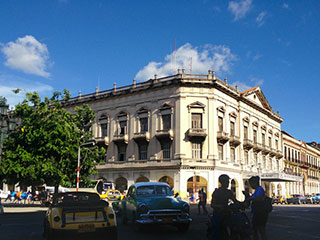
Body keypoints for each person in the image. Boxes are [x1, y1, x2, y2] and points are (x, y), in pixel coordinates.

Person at [210, 174, 242, 240]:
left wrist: (243, 204)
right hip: (218, 213)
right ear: (221, 182)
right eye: (226, 182)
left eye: (228, 182)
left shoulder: (229, 192)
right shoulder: (217, 192)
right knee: (216, 230)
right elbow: (212, 204)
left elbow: (235, 201)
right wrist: (220, 206)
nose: (228, 183)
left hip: (227, 213)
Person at [248, 176, 268, 240]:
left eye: (251, 184)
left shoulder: (259, 189)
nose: (250, 186)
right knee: (256, 229)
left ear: (254, 183)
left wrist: (250, 198)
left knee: (261, 230)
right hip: (257, 212)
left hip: (260, 213)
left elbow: (259, 198)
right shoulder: (257, 190)